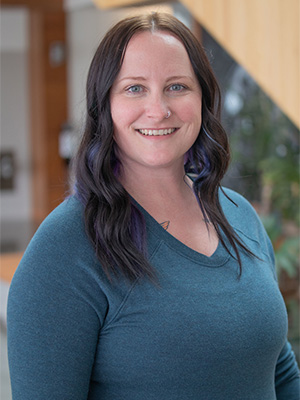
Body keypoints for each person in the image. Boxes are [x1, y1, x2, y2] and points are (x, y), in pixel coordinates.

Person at [7, 12, 299, 399]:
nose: (158, 109)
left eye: (177, 86)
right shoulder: (65, 248)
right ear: (105, 105)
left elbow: (280, 372)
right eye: (134, 88)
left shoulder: (240, 216)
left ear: (202, 99)